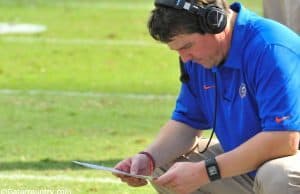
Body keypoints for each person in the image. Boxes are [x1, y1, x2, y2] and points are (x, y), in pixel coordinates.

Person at [114, 0, 300, 193]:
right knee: (166, 167)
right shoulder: (203, 57)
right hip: (257, 167)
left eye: (187, 46)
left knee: (278, 176)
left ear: (214, 23)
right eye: (177, 50)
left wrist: (206, 171)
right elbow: (186, 123)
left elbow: (284, 140)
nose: (185, 58)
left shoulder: (271, 47)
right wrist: (148, 158)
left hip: (287, 158)